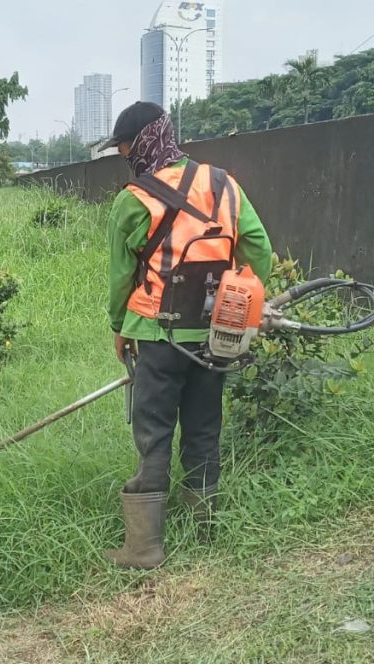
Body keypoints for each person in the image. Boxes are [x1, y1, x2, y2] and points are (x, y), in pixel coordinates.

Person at [102, 101, 273, 569]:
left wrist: (119, 327)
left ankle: (144, 548)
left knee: (154, 432)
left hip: (156, 335)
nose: (124, 157)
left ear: (142, 142)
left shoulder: (132, 200)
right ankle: (203, 531)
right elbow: (260, 251)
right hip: (216, 336)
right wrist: (242, 303)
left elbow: (121, 279)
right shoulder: (225, 185)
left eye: (124, 149)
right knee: (204, 425)